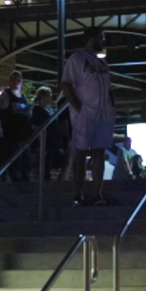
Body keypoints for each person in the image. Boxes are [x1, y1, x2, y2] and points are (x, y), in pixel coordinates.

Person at [60, 25, 115, 206]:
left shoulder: (102, 62)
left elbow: (108, 87)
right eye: (101, 38)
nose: (103, 41)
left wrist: (111, 106)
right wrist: (78, 107)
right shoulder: (76, 59)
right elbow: (66, 84)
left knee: (99, 151)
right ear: (92, 39)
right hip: (86, 112)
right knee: (81, 151)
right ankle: (78, 192)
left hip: (103, 113)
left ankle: (97, 193)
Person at [0, 71, 33, 180]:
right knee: (8, 160)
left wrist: (29, 112)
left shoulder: (23, 97)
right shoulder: (6, 94)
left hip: (23, 134)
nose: (15, 82)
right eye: (13, 79)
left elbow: (28, 115)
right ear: (9, 81)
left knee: (23, 162)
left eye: (18, 80)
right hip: (9, 133)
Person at [30, 85, 64, 179]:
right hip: (45, 144)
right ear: (43, 97)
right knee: (45, 168)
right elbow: (35, 127)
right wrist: (42, 144)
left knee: (49, 167)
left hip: (51, 144)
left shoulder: (49, 110)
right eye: (48, 95)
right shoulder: (38, 111)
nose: (50, 97)